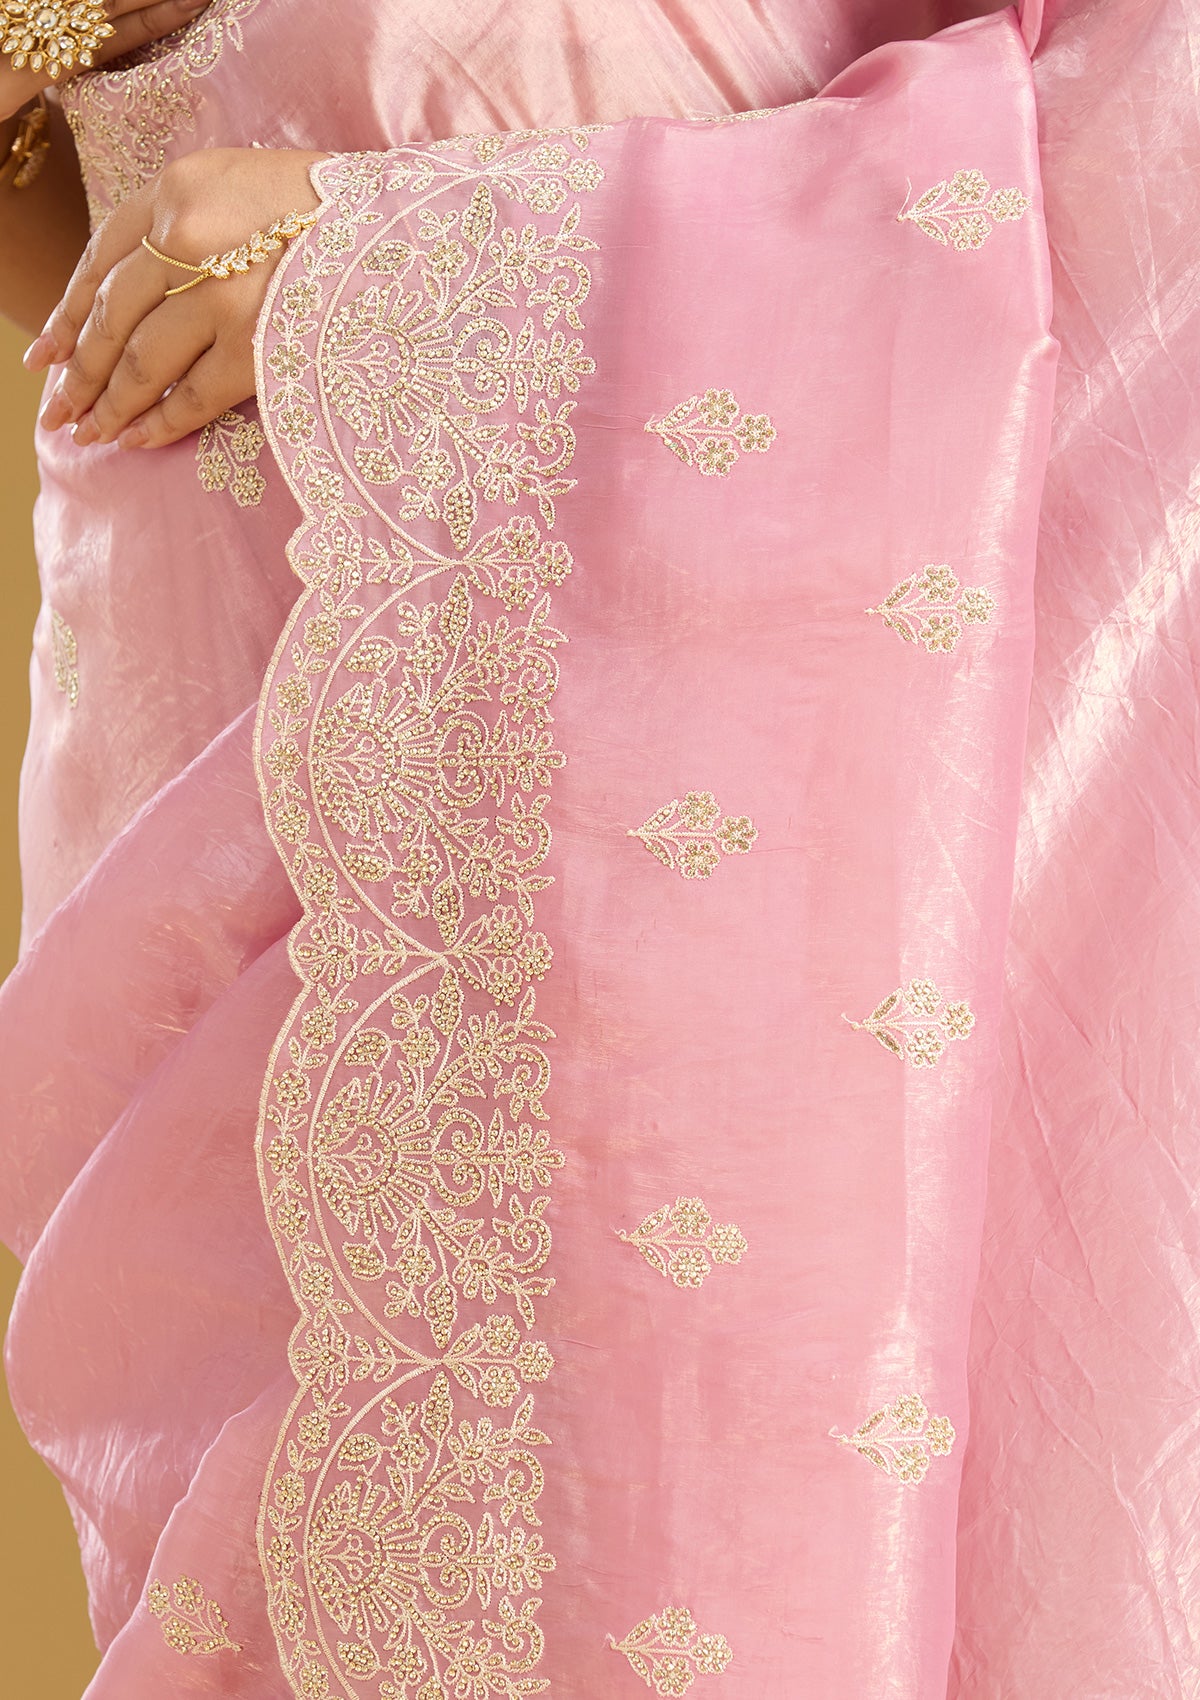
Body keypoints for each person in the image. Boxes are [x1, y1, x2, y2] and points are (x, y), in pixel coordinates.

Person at [1, 4, 1197, 1697]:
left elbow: (1144, 135)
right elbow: (117, 252)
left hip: (685, 784)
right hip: (226, 727)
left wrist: (406, 263)